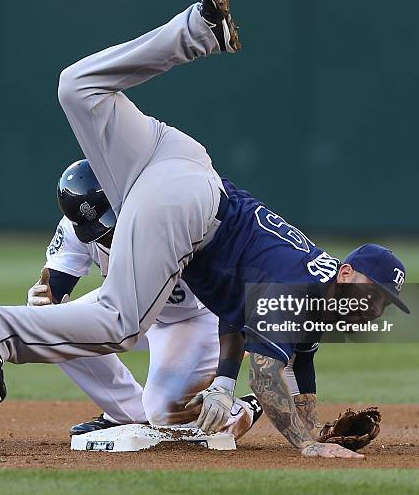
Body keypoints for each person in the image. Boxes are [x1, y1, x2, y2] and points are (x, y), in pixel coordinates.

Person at [0, 0, 410, 458]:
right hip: (187, 204)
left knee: (78, 87)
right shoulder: (300, 292)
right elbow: (264, 373)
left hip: (177, 160)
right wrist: (307, 445)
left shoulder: (316, 289)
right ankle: (1, 330)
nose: (375, 307)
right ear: (346, 273)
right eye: (375, 294)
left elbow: (297, 362)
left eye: (383, 302)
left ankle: (198, 30)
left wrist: (311, 425)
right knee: (119, 323)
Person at [25, 159, 262, 438]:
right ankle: (127, 413)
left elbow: (237, 290)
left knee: (168, 416)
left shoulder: (172, 215)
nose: (108, 234)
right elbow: (54, 285)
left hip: (191, 317)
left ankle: (242, 409)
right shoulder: (79, 224)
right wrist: (43, 302)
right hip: (126, 303)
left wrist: (226, 375)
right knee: (51, 324)